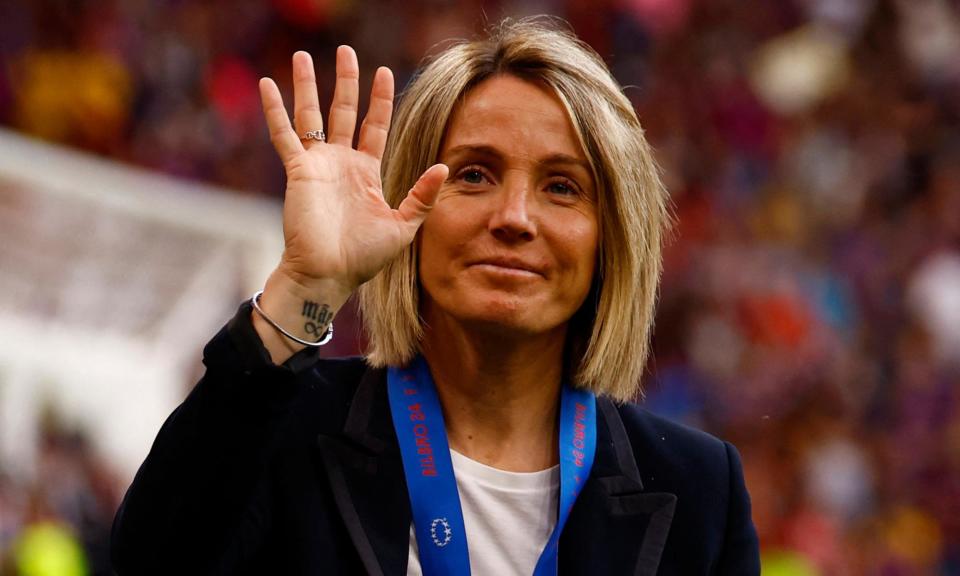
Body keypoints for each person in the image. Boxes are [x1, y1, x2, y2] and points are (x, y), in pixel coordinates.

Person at [111, 18, 759, 575]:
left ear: (611, 237)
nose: (514, 216)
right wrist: (305, 287)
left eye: (562, 187)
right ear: (409, 210)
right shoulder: (287, 429)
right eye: (474, 174)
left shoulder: (698, 490)